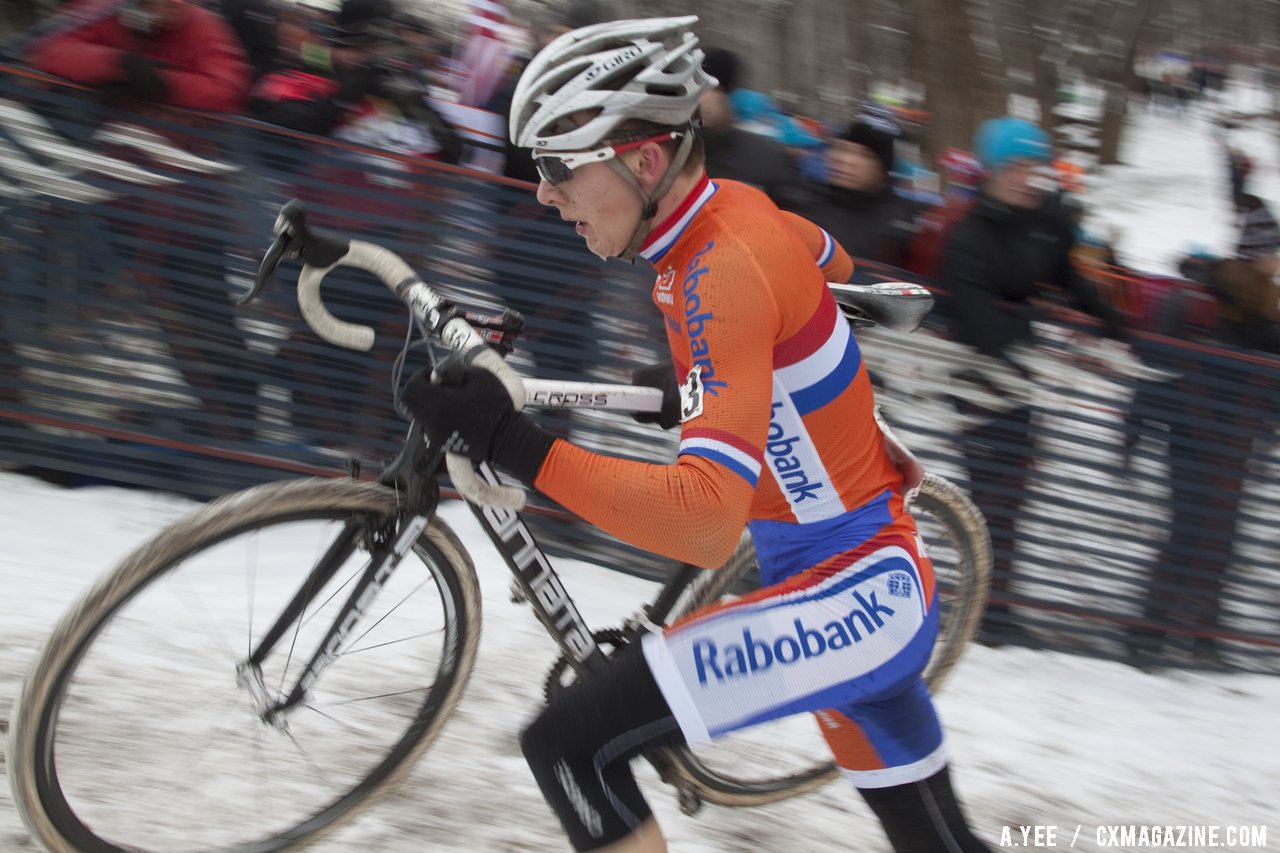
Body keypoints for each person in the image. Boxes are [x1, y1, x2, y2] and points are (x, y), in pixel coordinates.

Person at [403, 17, 993, 853]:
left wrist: (513, 442)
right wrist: (727, 380)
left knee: (570, 749)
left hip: (853, 598)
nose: (543, 193)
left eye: (557, 168)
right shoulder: (731, 218)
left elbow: (705, 522)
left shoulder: (719, 271)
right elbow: (832, 263)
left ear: (644, 161)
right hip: (858, 588)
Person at [936, 116, 1128, 646]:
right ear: (991, 170)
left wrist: (1110, 320)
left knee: (1014, 499)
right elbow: (980, 326)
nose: (1026, 178)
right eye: (1014, 167)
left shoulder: (1045, 223)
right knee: (989, 498)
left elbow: (1067, 277)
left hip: (1023, 383)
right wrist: (1035, 325)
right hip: (977, 383)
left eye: (1033, 168)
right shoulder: (968, 236)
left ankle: (997, 606)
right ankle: (984, 612)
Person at [799, 115, 921, 268]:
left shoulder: (903, 221)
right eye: (841, 148)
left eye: (864, 154)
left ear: (882, 170)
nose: (845, 159)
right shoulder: (803, 202)